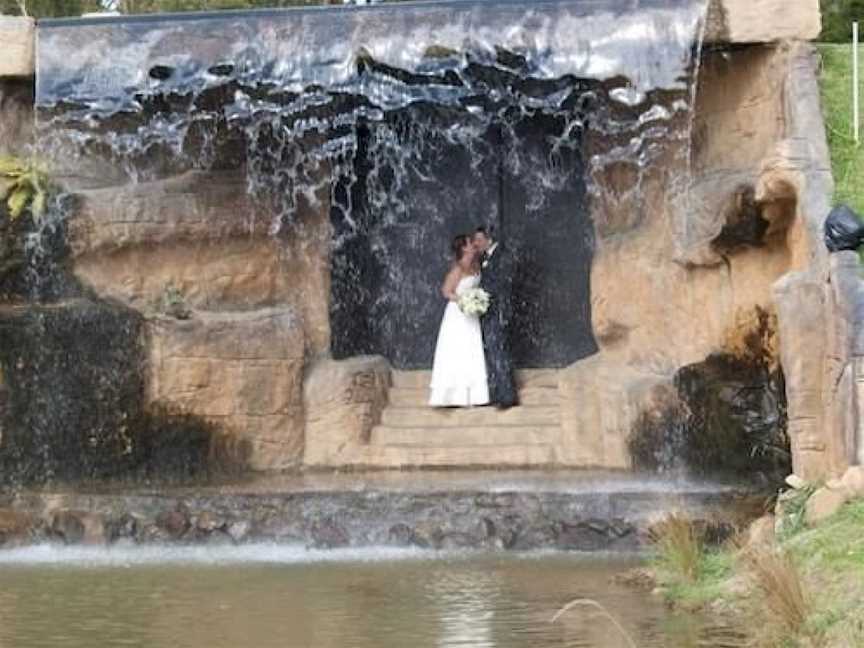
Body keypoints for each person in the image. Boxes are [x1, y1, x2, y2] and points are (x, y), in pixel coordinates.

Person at [429, 234, 490, 407]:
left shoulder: (476, 265)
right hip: (458, 313)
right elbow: (446, 291)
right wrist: (465, 300)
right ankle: (454, 396)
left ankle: (475, 396)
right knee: (458, 350)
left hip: (472, 314)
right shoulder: (458, 269)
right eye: (471, 243)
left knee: (472, 350)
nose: (474, 245)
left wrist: (476, 301)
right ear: (464, 248)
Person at [473, 226, 518, 408]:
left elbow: (503, 283)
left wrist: (482, 294)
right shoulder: (487, 258)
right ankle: (498, 393)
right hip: (488, 312)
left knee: (499, 351)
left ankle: (508, 395)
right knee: (492, 351)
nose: (476, 244)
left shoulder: (502, 255)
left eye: (478, 239)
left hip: (498, 312)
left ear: (488, 239)